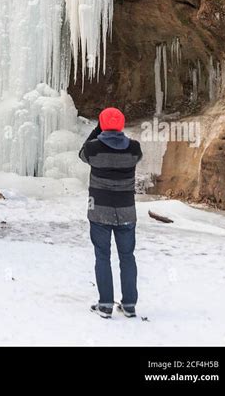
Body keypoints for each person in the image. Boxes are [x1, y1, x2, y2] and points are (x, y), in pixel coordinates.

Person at [79, 107, 143, 319]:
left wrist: (98, 130)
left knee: (102, 255)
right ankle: (130, 304)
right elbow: (135, 155)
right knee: (127, 256)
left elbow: (82, 153)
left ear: (102, 125)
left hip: (99, 210)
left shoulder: (93, 148)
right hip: (126, 211)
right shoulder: (134, 148)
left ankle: (105, 304)